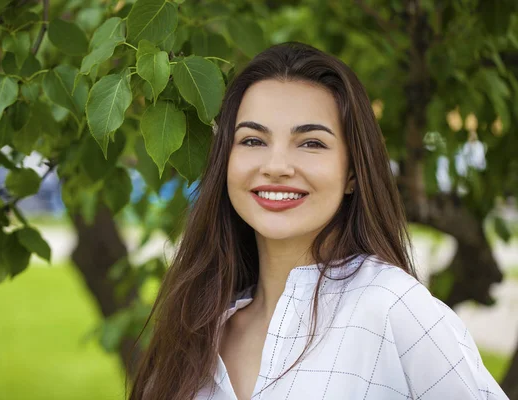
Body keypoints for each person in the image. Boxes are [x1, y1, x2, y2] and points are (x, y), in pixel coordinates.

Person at [127, 42, 509, 400]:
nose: (276, 167)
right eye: (253, 140)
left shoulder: (394, 309)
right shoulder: (196, 324)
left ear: (353, 173)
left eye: (311, 143)